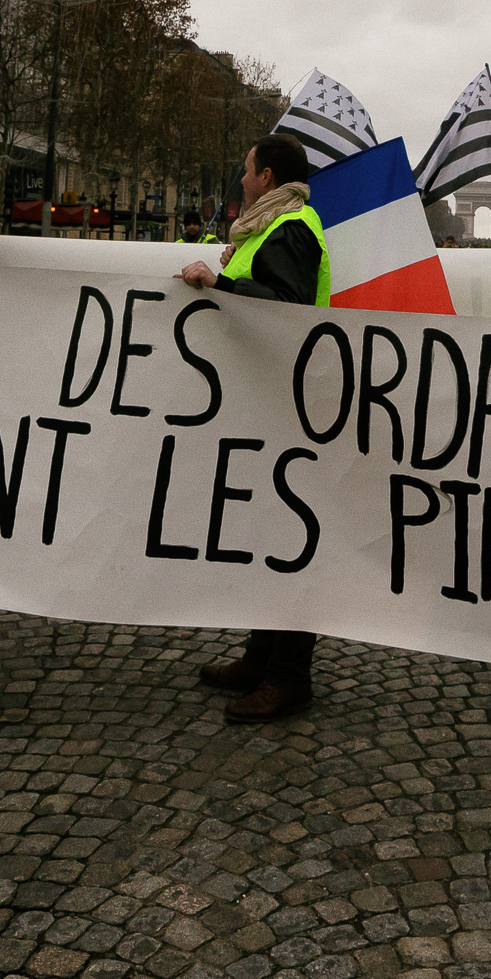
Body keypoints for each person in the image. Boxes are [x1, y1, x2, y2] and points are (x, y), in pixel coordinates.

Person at [181, 133, 331, 721]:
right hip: (266, 397)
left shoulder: (290, 228)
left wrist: (221, 284)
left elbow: (286, 307)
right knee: (268, 536)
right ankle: (262, 658)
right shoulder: (271, 227)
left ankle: (290, 676)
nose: (241, 179)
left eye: (246, 170)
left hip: (285, 400)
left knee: (290, 541)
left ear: (267, 177)